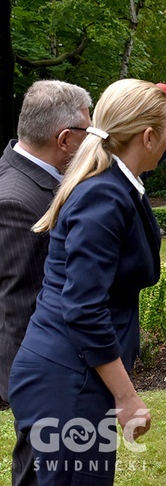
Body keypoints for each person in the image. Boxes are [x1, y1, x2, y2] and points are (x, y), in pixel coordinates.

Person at [8, 79, 166, 484]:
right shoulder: (104, 195)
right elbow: (83, 308)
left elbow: (143, 138)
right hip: (68, 382)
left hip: (75, 375)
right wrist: (127, 397)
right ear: (146, 137)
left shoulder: (114, 174)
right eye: (163, 134)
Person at [0, 80, 91, 486]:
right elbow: (18, 305)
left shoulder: (34, 176)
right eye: (89, 132)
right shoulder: (16, 200)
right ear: (65, 139)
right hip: (44, 376)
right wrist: (37, 389)